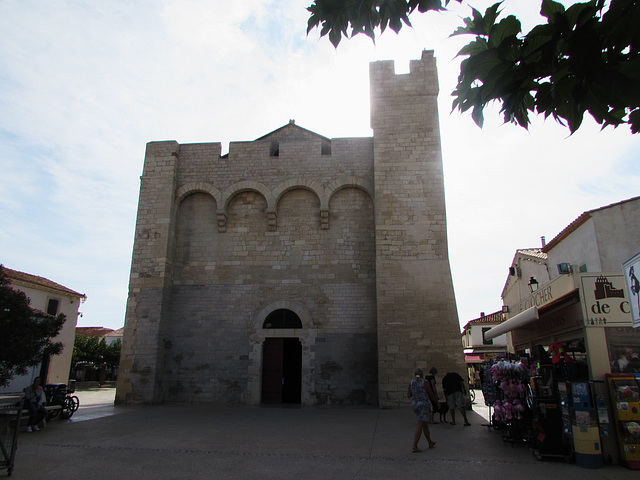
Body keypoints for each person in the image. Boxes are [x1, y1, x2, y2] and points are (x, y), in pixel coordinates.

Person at [407, 368, 438, 452]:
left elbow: (409, 395)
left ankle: (430, 442)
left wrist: (416, 393)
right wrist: (437, 402)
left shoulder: (411, 383)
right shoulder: (425, 382)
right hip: (423, 405)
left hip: (415, 405)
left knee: (424, 424)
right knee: (420, 423)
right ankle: (415, 445)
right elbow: (431, 394)